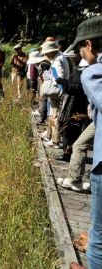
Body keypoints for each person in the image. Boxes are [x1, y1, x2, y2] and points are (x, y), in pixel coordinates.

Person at [67, 14, 102, 269]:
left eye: (81, 49)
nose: (81, 56)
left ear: (89, 45)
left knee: (99, 232)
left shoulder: (94, 73)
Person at [39, 41, 70, 148]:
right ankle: (50, 136)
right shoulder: (61, 57)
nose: (45, 55)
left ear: (51, 52)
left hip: (57, 91)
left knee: (54, 115)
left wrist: (50, 78)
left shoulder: (57, 61)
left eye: (46, 53)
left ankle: (55, 140)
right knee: (53, 113)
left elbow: (59, 78)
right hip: (60, 91)